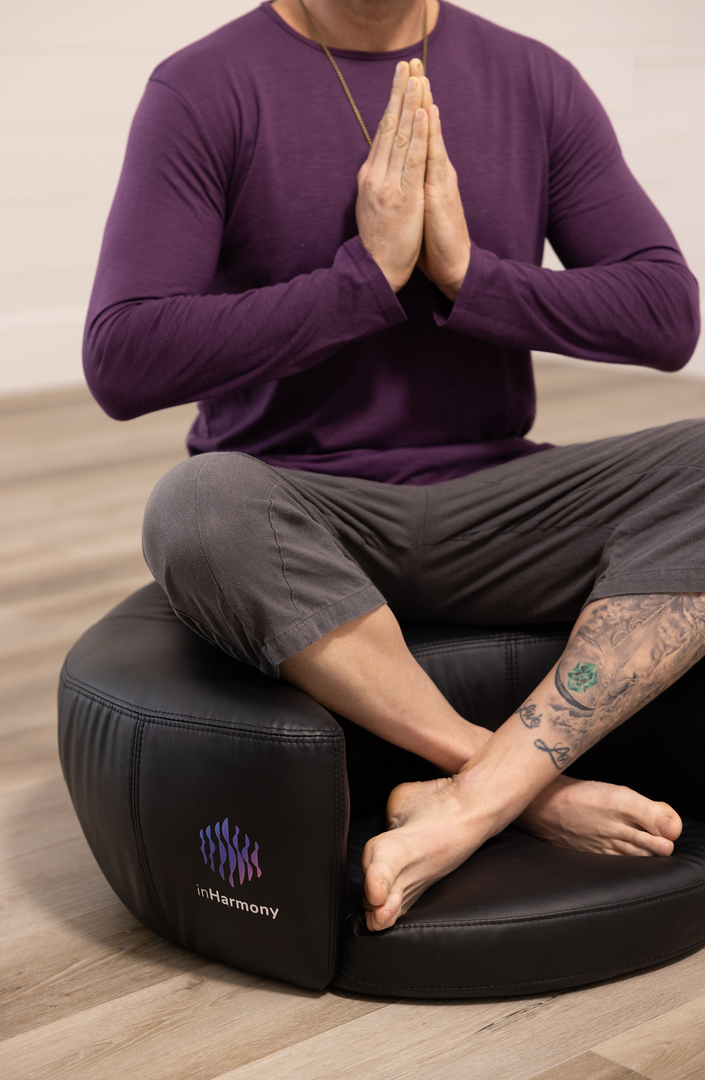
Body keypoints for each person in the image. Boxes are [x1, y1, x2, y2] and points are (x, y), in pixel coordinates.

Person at [84, 0, 704, 933]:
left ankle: (472, 801)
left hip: (499, 503)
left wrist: (468, 275)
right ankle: (520, 787)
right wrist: (362, 280)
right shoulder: (205, 86)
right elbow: (123, 357)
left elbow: (666, 315)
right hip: (301, 505)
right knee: (198, 506)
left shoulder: (531, 77)